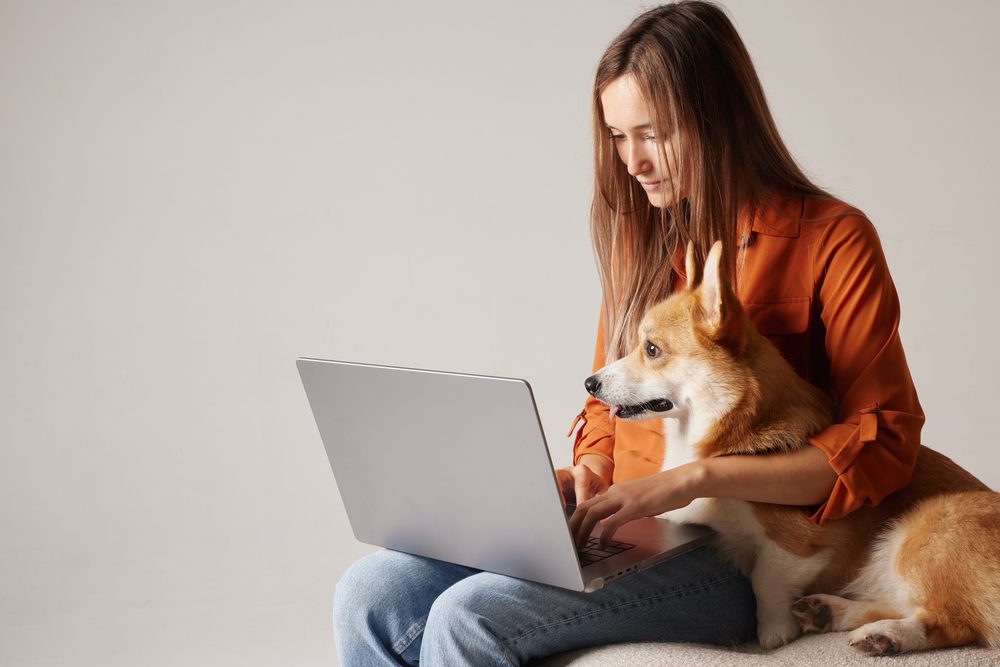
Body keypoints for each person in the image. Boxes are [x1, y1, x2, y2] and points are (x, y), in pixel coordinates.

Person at [333, 1, 924, 664]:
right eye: (618, 136)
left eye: (655, 133)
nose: (633, 160)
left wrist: (690, 479)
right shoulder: (639, 243)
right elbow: (604, 411)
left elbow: (885, 443)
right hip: (629, 527)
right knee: (371, 590)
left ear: (719, 120)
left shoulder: (833, 239)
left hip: (738, 544)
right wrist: (590, 471)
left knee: (473, 616)